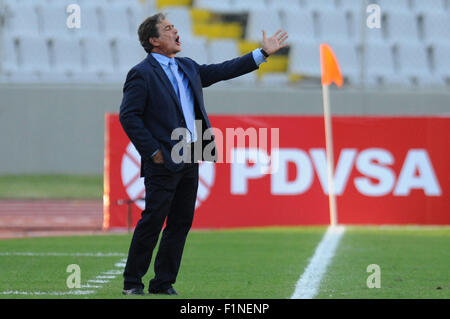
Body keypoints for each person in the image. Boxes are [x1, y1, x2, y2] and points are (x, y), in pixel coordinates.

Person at [119, 12, 288, 296]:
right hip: (163, 161)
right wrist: (153, 152)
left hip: (192, 155)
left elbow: (224, 70)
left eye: (174, 26)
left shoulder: (187, 66)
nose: (175, 30)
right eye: (168, 28)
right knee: (152, 220)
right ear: (154, 41)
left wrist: (261, 53)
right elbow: (129, 116)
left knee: (180, 223)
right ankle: (132, 282)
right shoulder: (142, 73)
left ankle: (163, 283)